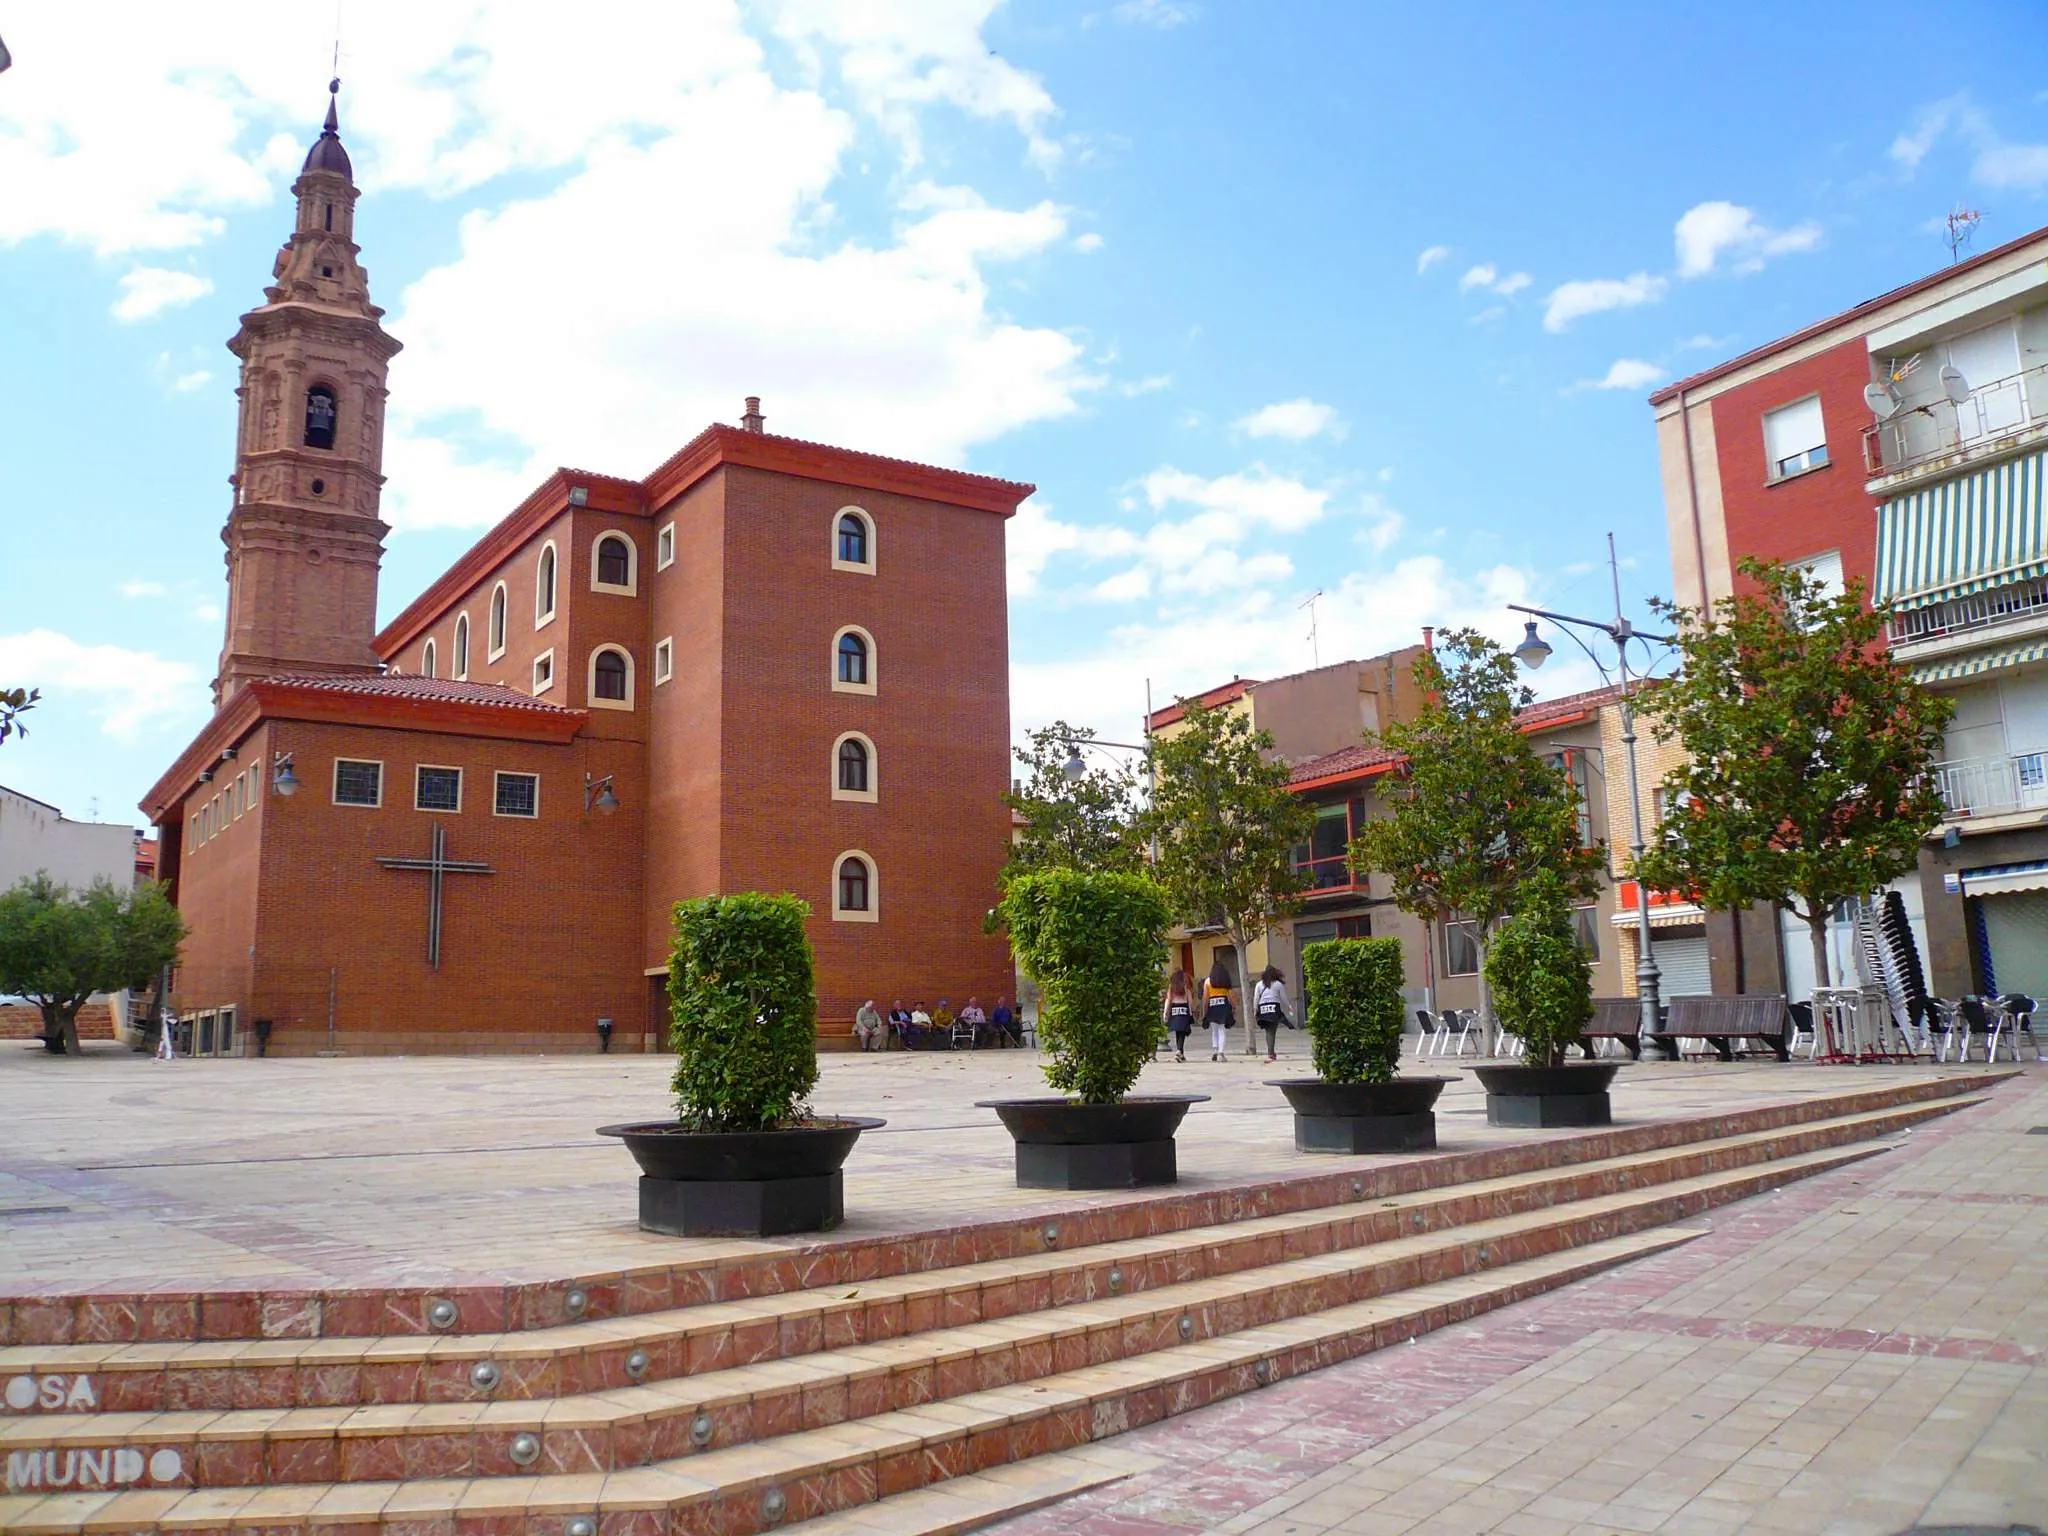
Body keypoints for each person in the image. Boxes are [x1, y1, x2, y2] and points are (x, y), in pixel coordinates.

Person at [1252, 965, 1292, 1064]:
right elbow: (1283, 998)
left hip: (1263, 1009)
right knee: (1272, 1031)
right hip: (1274, 1008)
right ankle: (1271, 1053)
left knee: (1268, 1031)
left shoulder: (1259, 985)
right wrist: (1289, 1006)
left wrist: (1255, 1009)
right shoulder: (1278, 984)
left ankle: (1271, 1052)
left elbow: (1256, 998)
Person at [1202, 962, 1235, 1062]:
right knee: (1222, 1030)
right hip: (1223, 1006)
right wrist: (1233, 1007)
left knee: (1214, 1030)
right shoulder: (1225, 981)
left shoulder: (1208, 981)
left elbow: (1205, 997)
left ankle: (1215, 1051)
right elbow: (1230, 996)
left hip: (1212, 1006)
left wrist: (1204, 1011)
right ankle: (1221, 1053)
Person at [1163, 969, 1195, 1062]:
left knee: (1178, 1032)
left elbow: (1168, 1000)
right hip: (1184, 1010)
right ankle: (1179, 1051)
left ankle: (1180, 1052)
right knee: (1182, 1033)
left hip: (1174, 1010)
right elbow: (1190, 1001)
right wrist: (1191, 1012)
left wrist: (1165, 1013)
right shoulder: (1185, 987)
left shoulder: (1171, 988)